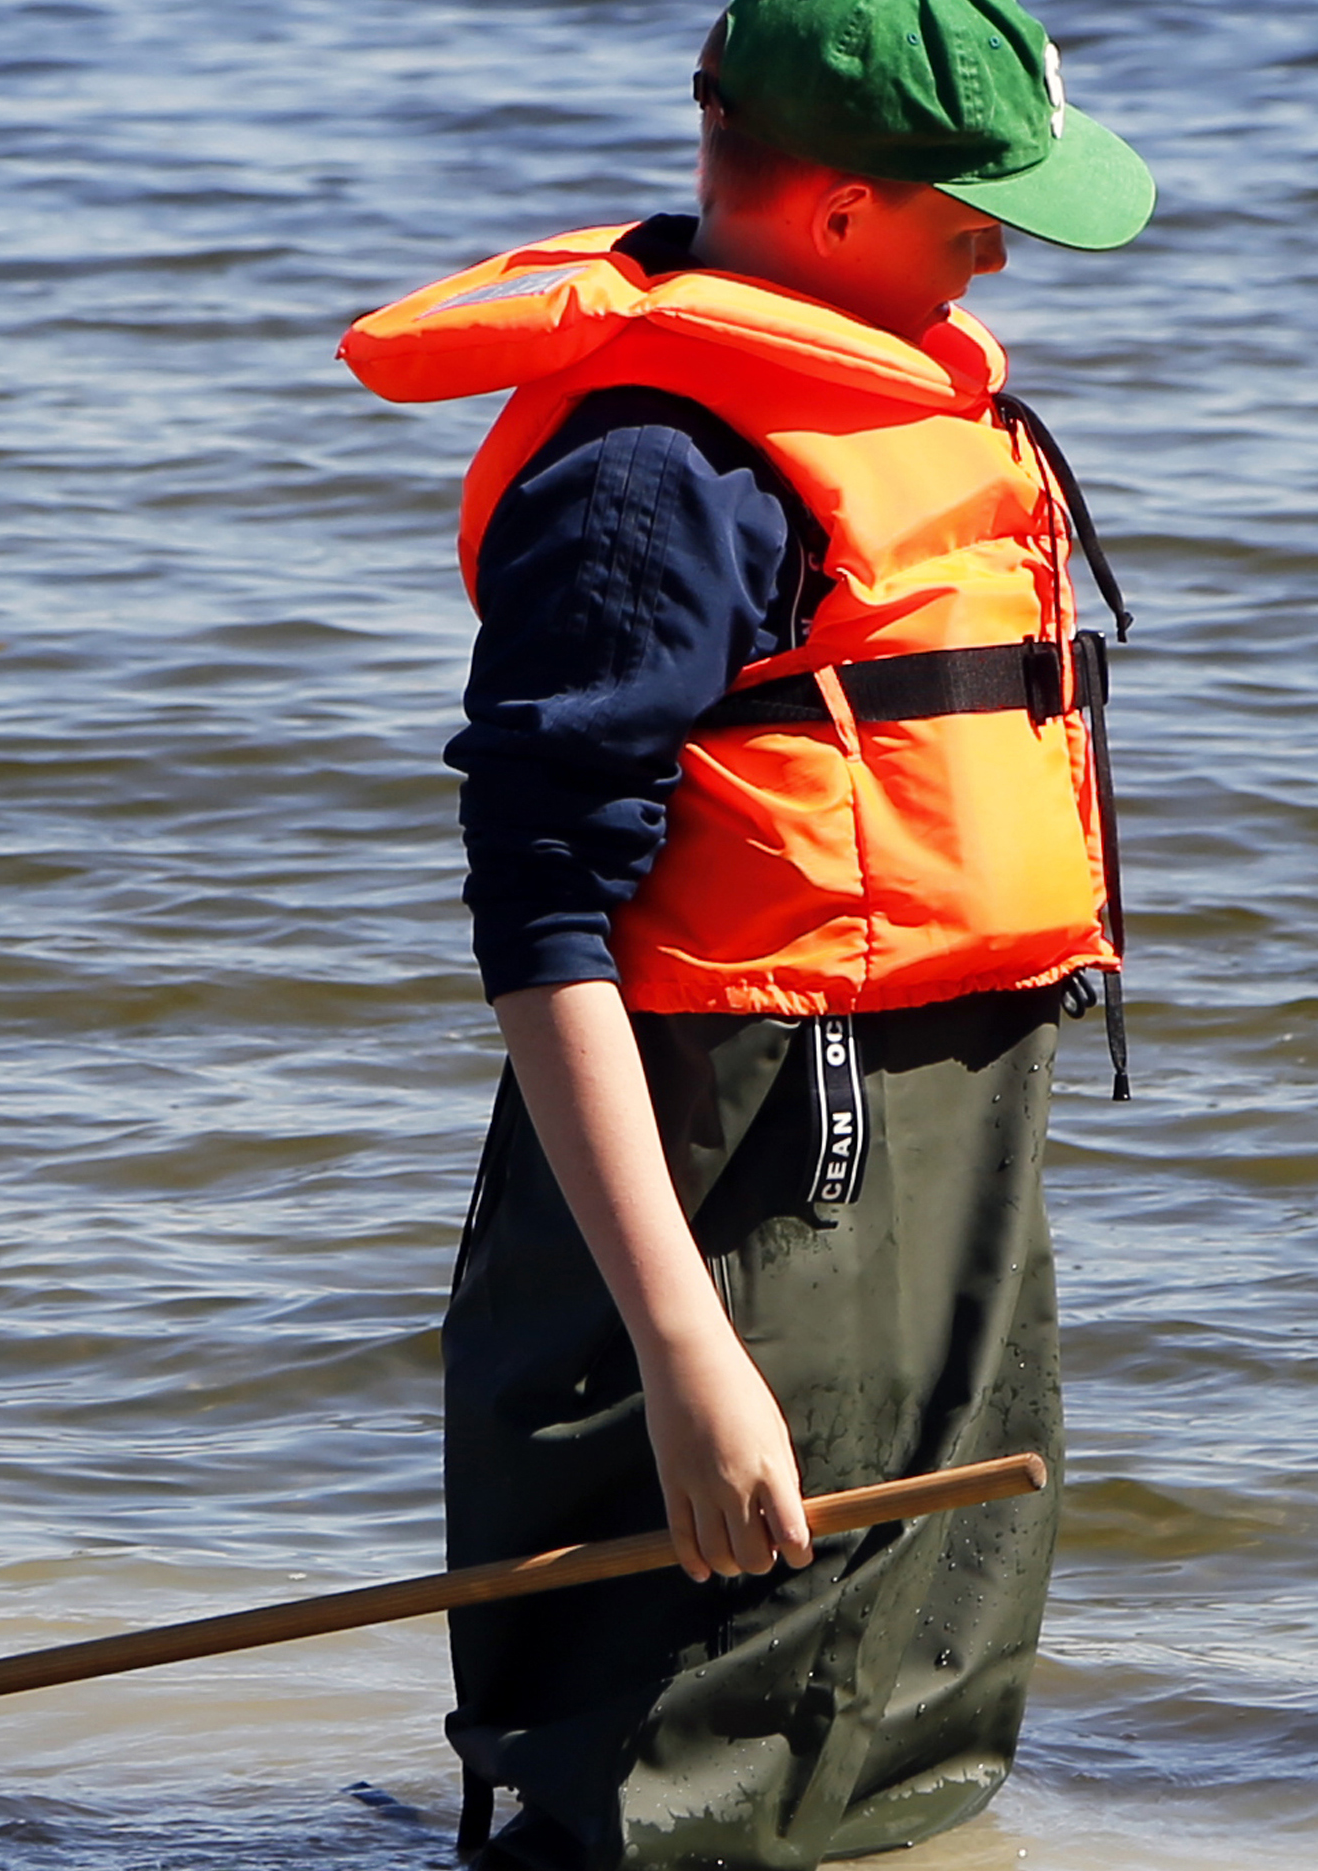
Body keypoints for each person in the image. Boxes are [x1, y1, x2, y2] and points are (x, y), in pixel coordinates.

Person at [334, 1, 1148, 1861]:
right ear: (843, 211)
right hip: (746, 1142)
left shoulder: (893, 380)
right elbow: (541, 913)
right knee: (689, 1726)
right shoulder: (653, 481)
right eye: (974, 209)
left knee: (918, 1679)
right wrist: (687, 1348)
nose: (1001, 251)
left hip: (942, 1104)